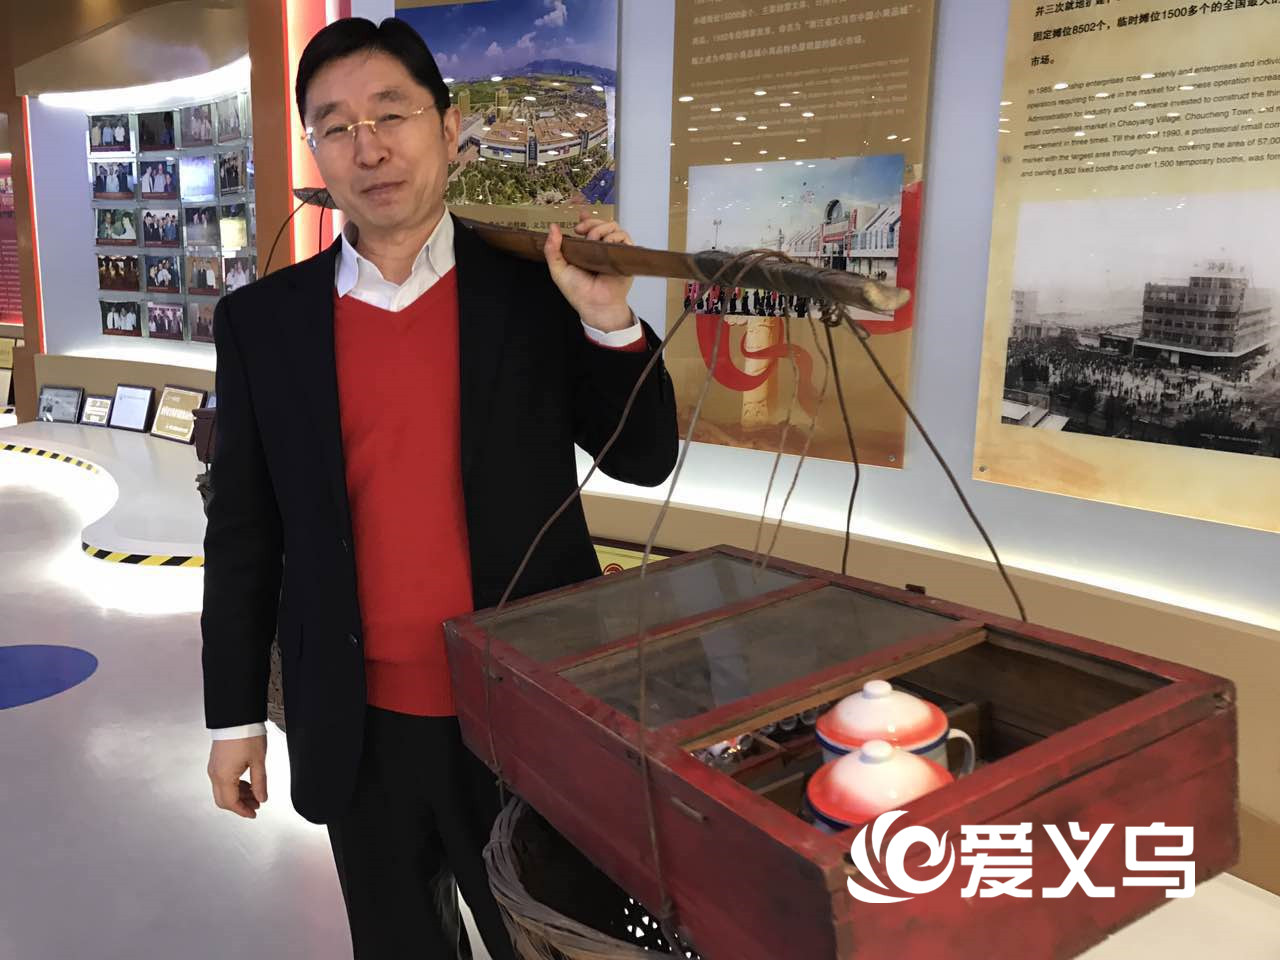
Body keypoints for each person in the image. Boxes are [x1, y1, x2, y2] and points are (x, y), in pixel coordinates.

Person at [201, 16, 677, 960]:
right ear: (315, 149)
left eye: (392, 114)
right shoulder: (265, 323)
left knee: (550, 941)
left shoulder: (533, 295)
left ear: (449, 128)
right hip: (357, 724)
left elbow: (644, 456)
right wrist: (234, 716)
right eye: (336, 126)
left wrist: (609, 321)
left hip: (523, 718)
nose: (369, 147)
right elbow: (246, 532)